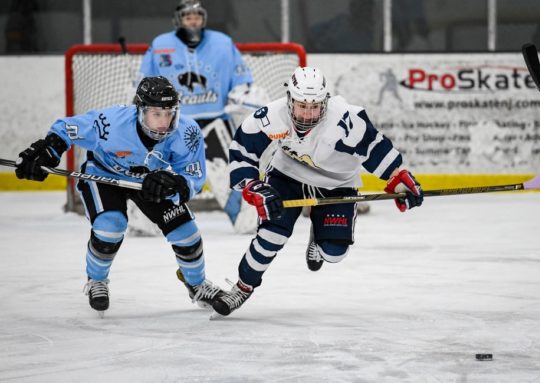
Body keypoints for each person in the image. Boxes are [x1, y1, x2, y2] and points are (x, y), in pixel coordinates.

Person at [211, 67, 424, 316]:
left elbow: (374, 149)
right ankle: (242, 287)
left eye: (315, 106)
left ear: (325, 101)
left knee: (334, 254)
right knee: (272, 236)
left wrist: (399, 179)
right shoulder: (271, 116)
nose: (308, 113)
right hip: (287, 173)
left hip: (337, 182)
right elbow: (242, 151)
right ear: (290, 99)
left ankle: (318, 234)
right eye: (302, 106)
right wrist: (252, 186)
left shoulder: (346, 118)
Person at [14, 76, 226, 316]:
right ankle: (97, 281)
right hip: (104, 174)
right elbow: (66, 128)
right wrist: (48, 150)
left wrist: (175, 183)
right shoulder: (110, 122)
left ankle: (197, 285)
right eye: (157, 114)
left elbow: (192, 175)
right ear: (140, 110)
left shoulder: (188, 132)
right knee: (110, 226)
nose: (164, 122)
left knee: (187, 234)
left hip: (148, 181)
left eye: (169, 113)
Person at [139, 0, 258, 234]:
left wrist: (241, 94)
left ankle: (247, 220)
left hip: (215, 120)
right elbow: (143, 80)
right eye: (187, 16)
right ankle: (146, 222)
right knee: (158, 173)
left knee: (229, 175)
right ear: (178, 19)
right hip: (173, 124)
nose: (193, 20)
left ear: (203, 18)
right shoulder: (161, 45)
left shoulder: (223, 43)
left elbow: (242, 77)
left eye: (197, 15)